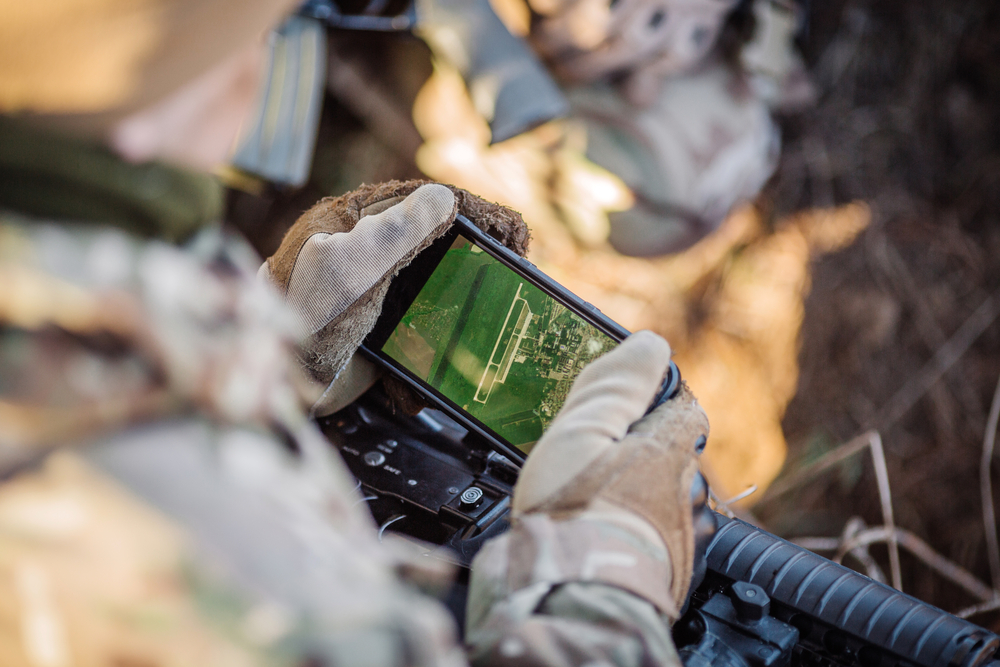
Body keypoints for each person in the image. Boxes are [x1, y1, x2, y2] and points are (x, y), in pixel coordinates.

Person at [0, 2, 710, 666]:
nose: (257, 75)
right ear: (137, 124)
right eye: (251, 42)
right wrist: (601, 583)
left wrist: (273, 356)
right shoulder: (125, 505)